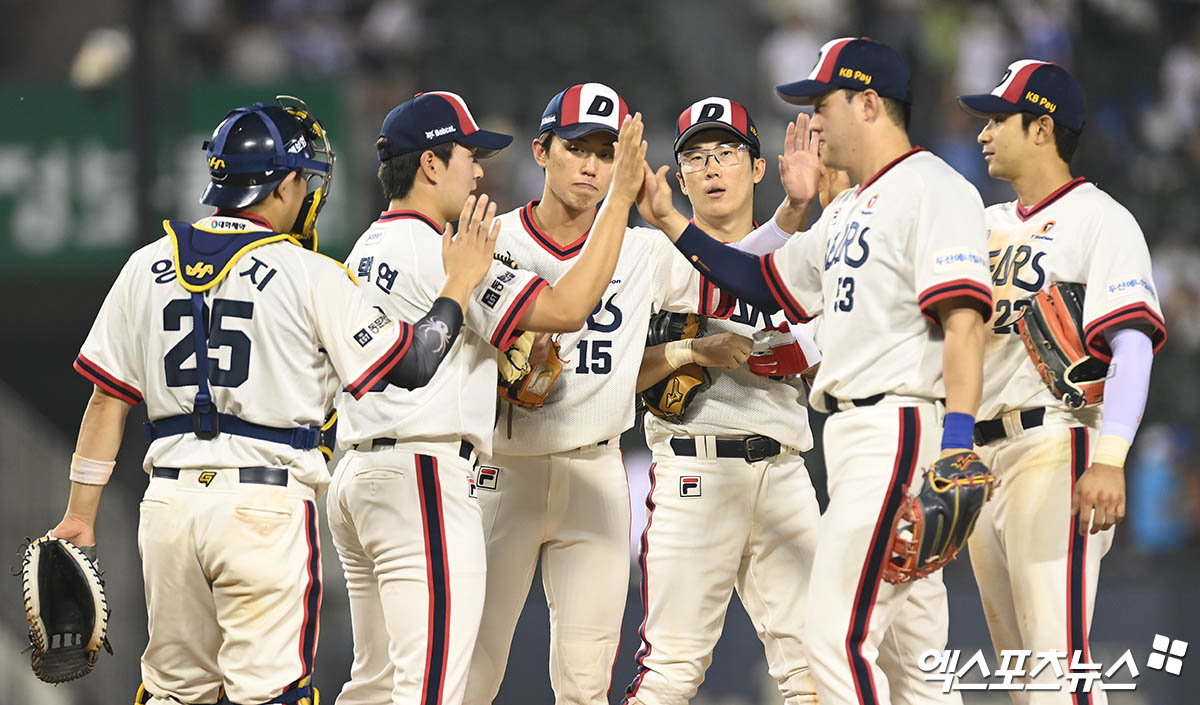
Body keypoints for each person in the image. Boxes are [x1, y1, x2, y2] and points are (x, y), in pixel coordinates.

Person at [54, 97, 500, 705]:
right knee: (268, 695)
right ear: (286, 182)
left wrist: (81, 515)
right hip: (263, 506)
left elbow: (108, 401)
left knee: (174, 694)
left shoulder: (145, 264)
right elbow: (417, 362)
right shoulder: (308, 272)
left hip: (166, 508)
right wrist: (458, 284)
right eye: (307, 178)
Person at [635, 38, 994, 705]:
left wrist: (958, 444)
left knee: (831, 641)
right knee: (914, 663)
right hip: (858, 434)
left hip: (898, 427)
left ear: (867, 103)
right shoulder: (853, 208)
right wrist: (669, 221)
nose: (814, 120)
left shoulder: (934, 187)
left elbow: (964, 325)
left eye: (821, 103)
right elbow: (760, 279)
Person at [464, 84, 819, 705]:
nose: (592, 164)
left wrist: (790, 216)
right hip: (507, 467)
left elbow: (742, 277)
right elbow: (545, 317)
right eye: (578, 148)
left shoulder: (647, 248)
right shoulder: (491, 237)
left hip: (597, 469)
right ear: (542, 152)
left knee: (587, 686)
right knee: (469, 670)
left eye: (606, 152)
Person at [326, 90, 647, 705]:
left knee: (371, 684)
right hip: (420, 475)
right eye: (468, 156)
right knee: (434, 686)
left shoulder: (365, 247)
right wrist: (622, 197)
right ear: (429, 165)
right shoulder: (450, 252)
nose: (479, 170)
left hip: (357, 473)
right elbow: (567, 309)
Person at [957, 60, 1166, 699]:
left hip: (1056, 442)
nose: (983, 134)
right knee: (1024, 677)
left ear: (1042, 126)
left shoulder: (1101, 218)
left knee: (1056, 664)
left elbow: (1131, 345)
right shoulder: (980, 222)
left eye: (998, 119)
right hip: (980, 461)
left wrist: (1109, 458)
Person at [622, 97, 825, 705]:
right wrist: (691, 353)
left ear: (758, 168)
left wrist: (810, 346)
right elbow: (608, 375)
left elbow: (842, 331)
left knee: (817, 669)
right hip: (695, 468)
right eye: (696, 157)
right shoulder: (648, 253)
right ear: (678, 177)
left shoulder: (799, 254)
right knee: (670, 674)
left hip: (785, 470)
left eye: (728, 153)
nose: (712, 168)